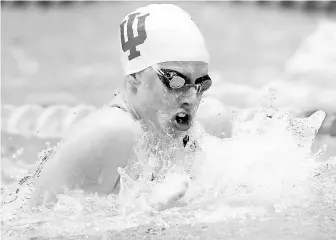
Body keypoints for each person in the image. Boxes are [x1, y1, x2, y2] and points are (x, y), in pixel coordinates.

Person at [28, 4, 232, 207]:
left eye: (201, 84)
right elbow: (34, 226)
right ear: (135, 76)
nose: (191, 98)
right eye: (175, 82)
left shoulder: (209, 125)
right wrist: (146, 212)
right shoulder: (110, 134)